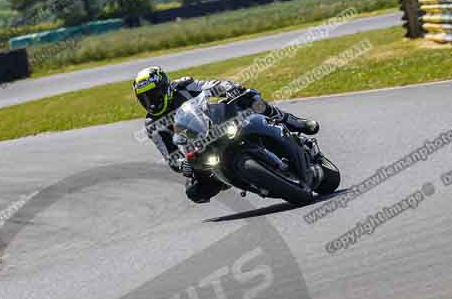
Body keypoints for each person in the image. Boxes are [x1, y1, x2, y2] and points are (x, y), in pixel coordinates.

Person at [133, 66, 319, 204]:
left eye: (154, 94)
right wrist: (183, 165)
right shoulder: (152, 125)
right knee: (195, 192)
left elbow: (213, 86)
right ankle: (233, 179)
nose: (150, 102)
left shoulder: (184, 86)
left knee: (250, 98)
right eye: (144, 99)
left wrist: (229, 88)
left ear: (164, 87)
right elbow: (170, 156)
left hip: (220, 122)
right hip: (201, 147)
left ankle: (293, 122)